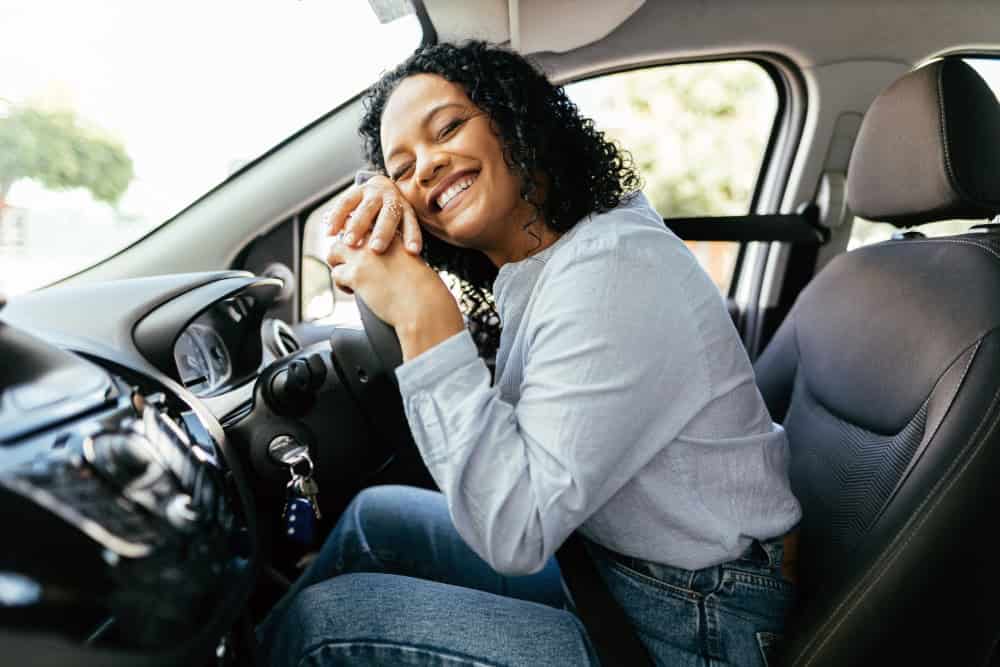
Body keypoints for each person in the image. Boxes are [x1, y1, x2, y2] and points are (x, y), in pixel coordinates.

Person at [259, 41, 801, 666]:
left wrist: (420, 312)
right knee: (374, 519)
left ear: (520, 121)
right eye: (402, 168)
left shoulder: (610, 270)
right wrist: (377, 190)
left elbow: (515, 533)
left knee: (326, 624)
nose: (426, 168)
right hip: (616, 567)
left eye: (450, 128)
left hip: (697, 618)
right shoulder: (552, 256)